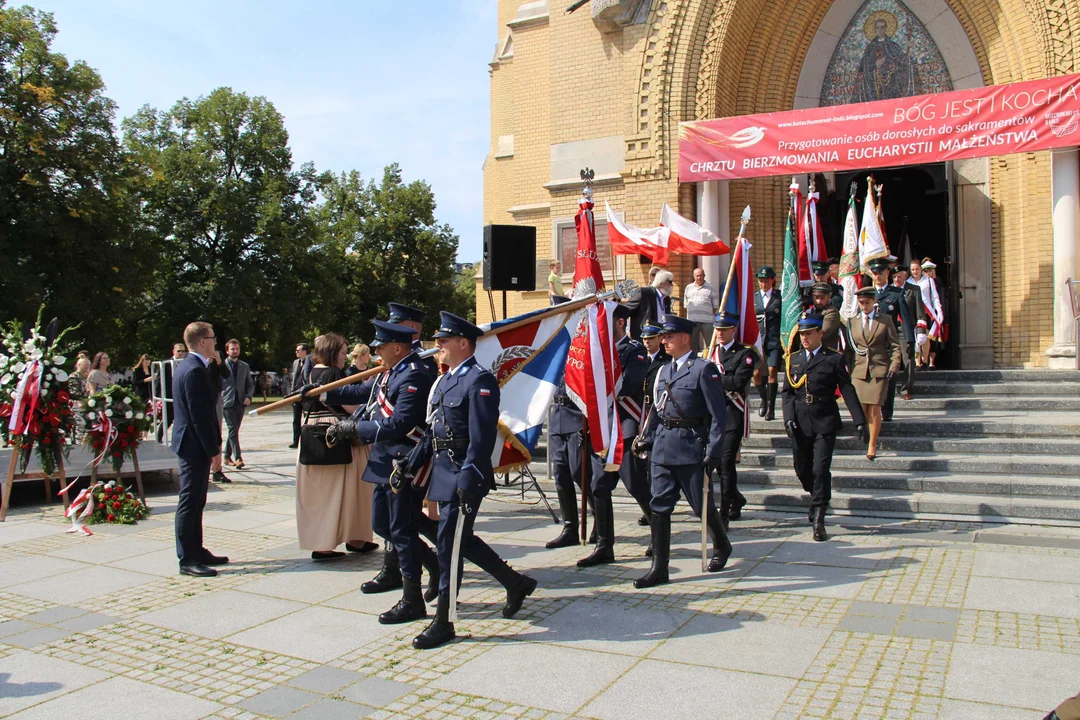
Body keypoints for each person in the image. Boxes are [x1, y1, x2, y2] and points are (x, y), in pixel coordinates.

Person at [396, 312, 536, 650]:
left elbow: (481, 436)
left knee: (448, 547)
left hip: (463, 473)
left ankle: (445, 622)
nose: (438, 346)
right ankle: (515, 583)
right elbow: (433, 432)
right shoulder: (444, 381)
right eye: (438, 341)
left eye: (444, 341)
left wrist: (469, 477)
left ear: (463, 343)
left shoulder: (479, 380)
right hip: (441, 471)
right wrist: (409, 465)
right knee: (460, 540)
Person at [317, 321, 441, 622]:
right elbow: (361, 390)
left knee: (402, 530)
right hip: (383, 460)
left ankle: (412, 598)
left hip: (403, 462)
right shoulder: (391, 370)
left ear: (397, 348)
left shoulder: (415, 373)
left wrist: (353, 428)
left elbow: (400, 423)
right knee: (383, 525)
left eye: (380, 347)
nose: (376, 352)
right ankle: (434, 564)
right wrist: (322, 392)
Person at [633, 314, 732, 589]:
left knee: (701, 507)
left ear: (685, 339)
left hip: (690, 448)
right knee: (659, 506)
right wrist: (648, 438)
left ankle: (722, 545)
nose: (664, 340)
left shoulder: (703, 369)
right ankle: (659, 568)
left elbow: (718, 414)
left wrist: (714, 450)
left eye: (669, 336)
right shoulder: (664, 371)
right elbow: (657, 411)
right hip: (663, 447)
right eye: (663, 336)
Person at [781, 310, 867, 542]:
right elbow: (787, 394)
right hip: (800, 421)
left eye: (809, 333)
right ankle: (816, 496)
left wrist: (859, 420)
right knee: (802, 469)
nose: (805, 338)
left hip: (824, 419)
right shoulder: (794, 359)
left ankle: (819, 517)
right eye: (802, 334)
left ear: (820, 333)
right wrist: (788, 418)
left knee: (820, 469)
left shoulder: (833, 358)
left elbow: (847, 389)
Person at [575, 304, 648, 568]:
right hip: (602, 429)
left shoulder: (635, 350)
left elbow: (628, 385)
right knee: (599, 487)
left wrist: (597, 378)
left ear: (620, 324)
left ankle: (658, 532)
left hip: (625, 426)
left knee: (636, 485)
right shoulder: (597, 353)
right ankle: (604, 546)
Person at [294, 333, 377, 562]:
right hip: (335, 433)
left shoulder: (311, 372)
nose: (344, 357)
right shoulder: (333, 374)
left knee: (321, 493)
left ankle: (325, 542)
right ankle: (354, 538)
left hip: (312, 430)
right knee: (353, 488)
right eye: (342, 352)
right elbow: (349, 407)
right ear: (332, 352)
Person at [171, 321, 228, 577]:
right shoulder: (192, 370)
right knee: (190, 501)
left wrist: (216, 366)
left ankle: (197, 549)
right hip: (193, 443)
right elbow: (199, 415)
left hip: (194, 442)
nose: (216, 343)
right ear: (203, 341)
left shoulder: (195, 366)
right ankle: (187, 558)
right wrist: (214, 449)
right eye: (213, 338)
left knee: (197, 500)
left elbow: (214, 394)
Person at [707, 312, 759, 522]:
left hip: (732, 415)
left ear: (733, 330)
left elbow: (738, 383)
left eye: (724, 329)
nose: (719, 333)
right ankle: (735, 498)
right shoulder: (710, 352)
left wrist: (714, 377)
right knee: (718, 465)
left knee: (726, 462)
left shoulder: (744, 354)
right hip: (713, 416)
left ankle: (725, 510)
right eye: (717, 329)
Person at [847, 287, 901, 461]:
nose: (864, 306)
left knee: (875, 407)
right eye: (861, 303)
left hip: (879, 369)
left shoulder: (884, 320)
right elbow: (849, 349)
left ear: (874, 302)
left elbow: (895, 346)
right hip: (859, 370)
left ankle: (872, 443)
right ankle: (864, 432)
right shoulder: (852, 321)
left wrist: (894, 366)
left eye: (867, 302)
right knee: (862, 408)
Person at [869, 257, 925, 419]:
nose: (877, 275)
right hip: (871, 341)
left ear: (888, 272)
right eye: (874, 272)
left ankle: (886, 412)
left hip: (889, 340)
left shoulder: (897, 293)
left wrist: (910, 340)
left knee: (889, 377)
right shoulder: (868, 293)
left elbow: (906, 319)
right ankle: (872, 411)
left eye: (881, 272)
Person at [753, 266, 782, 421]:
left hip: (773, 339)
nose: (763, 284)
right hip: (758, 340)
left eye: (766, 281)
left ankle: (771, 407)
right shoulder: (754, 297)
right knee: (756, 373)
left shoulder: (779, 297)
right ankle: (764, 399)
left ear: (772, 280)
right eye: (761, 281)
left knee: (772, 371)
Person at [220, 339, 254, 470]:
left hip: (240, 402)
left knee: (234, 431)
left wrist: (248, 397)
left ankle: (226, 456)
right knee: (233, 429)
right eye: (232, 349)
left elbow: (250, 385)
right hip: (227, 402)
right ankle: (238, 457)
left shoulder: (244, 366)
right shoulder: (221, 365)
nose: (235, 351)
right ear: (227, 351)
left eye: (237, 349)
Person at [910, 258, 944, 370]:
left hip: (926, 312)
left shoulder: (929, 281)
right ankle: (917, 362)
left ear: (921, 269)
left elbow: (934, 297)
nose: (915, 272)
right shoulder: (908, 282)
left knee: (926, 338)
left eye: (917, 269)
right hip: (913, 313)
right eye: (913, 269)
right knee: (915, 339)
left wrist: (938, 310)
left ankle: (925, 360)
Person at [627, 269, 674, 339]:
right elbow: (626, 310)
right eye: (669, 282)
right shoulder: (644, 293)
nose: (671, 285)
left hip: (661, 336)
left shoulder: (666, 299)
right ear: (661, 283)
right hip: (645, 337)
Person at [684, 267, 718, 353]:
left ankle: (712, 362)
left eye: (701, 275)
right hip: (692, 321)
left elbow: (715, 306)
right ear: (693, 276)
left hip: (707, 321)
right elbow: (686, 305)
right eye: (697, 276)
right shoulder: (688, 288)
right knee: (692, 345)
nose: (699, 278)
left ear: (704, 276)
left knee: (710, 344)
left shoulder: (710, 288)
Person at [289, 343, 312, 449]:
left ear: (305, 351)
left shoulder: (311, 360)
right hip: (296, 393)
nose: (296, 352)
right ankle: (295, 440)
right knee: (295, 418)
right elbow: (294, 378)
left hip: (306, 393)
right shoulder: (296, 362)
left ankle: (306, 439)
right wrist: (292, 391)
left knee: (306, 417)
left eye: (298, 350)